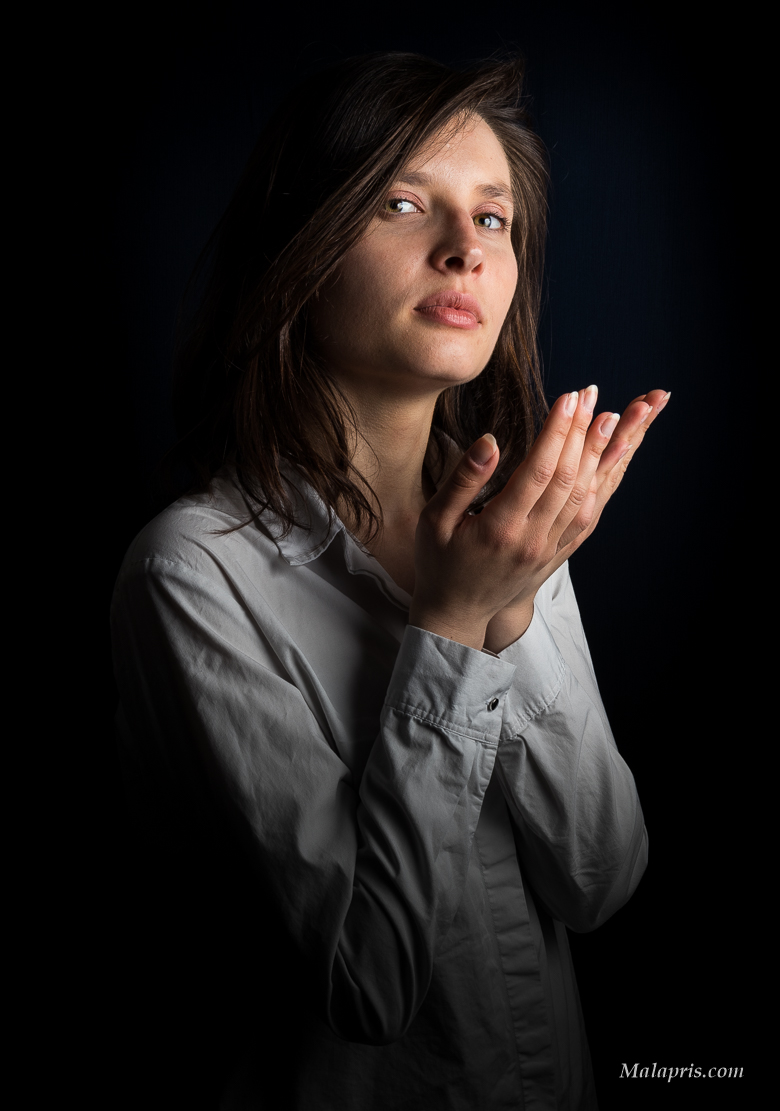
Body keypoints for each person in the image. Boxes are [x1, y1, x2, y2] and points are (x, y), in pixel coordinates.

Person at [111, 53, 668, 1110]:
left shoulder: (513, 531)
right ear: (302, 249)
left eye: (493, 217)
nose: (466, 249)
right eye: (403, 204)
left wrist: (512, 607)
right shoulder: (192, 572)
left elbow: (601, 880)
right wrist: (452, 625)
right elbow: (370, 982)